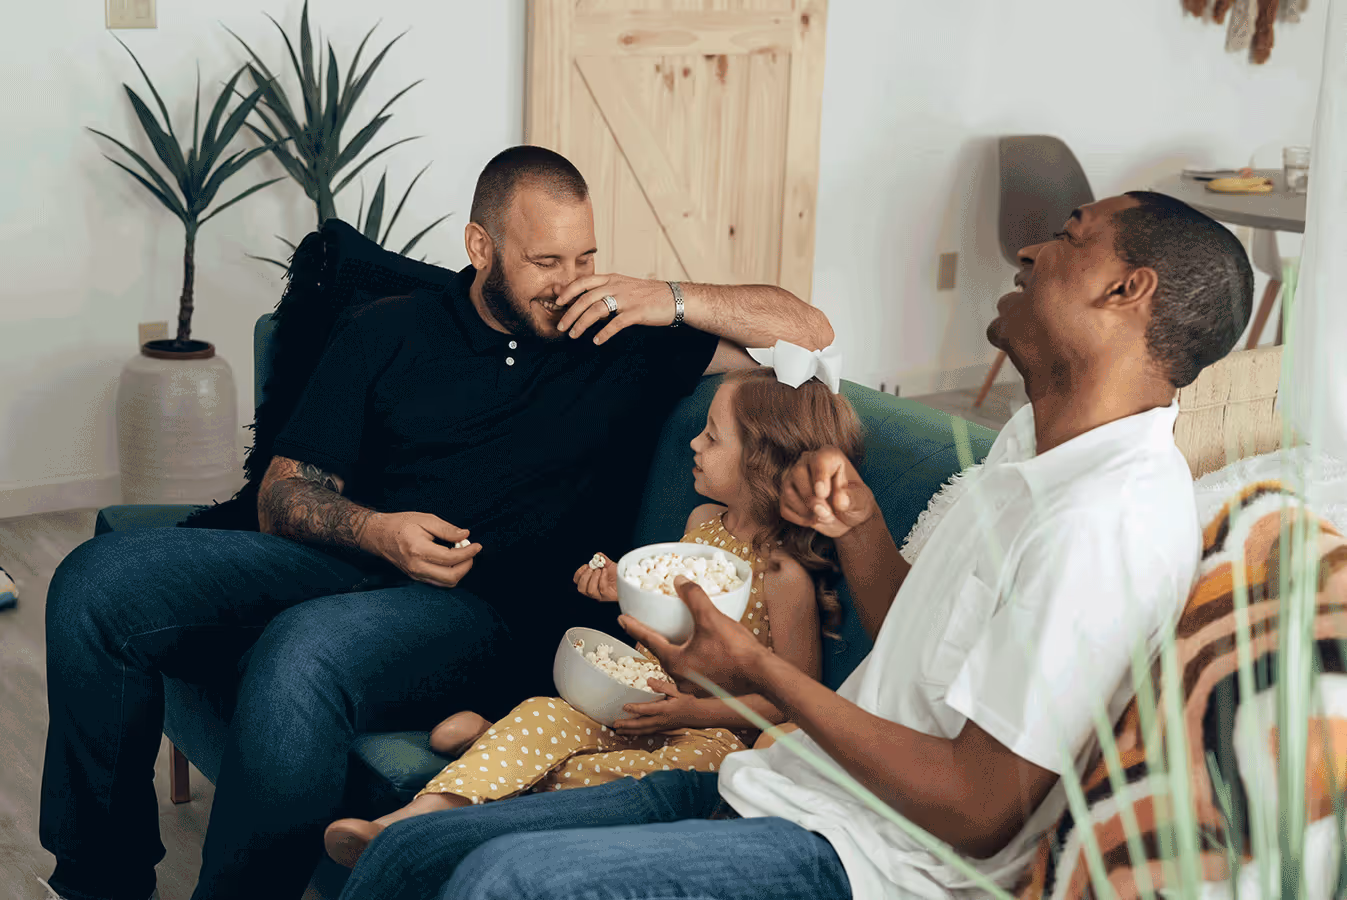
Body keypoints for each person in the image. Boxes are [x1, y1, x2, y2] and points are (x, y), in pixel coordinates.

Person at [333, 191, 1255, 900]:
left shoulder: (1107, 521)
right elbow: (917, 645)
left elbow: (982, 810)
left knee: (506, 883)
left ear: (1126, 289)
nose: (1028, 247)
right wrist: (858, 529)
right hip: (780, 784)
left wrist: (760, 675)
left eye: (1068, 232)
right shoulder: (1029, 449)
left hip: (862, 860)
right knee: (422, 841)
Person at [38, 145, 833, 900]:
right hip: (349, 558)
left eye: (584, 258)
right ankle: (98, 881)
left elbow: (809, 332)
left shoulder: (623, 340)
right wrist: (375, 531)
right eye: (545, 262)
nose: (570, 283)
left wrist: (672, 297)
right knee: (96, 581)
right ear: (480, 246)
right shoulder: (388, 330)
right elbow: (284, 496)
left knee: (304, 648)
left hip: (490, 614)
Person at [321, 364, 865, 867]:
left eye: (712, 436)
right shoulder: (703, 522)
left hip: (710, 733)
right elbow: (668, 608)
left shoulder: (782, 575)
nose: (694, 443)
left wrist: (691, 715)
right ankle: (398, 825)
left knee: (643, 778)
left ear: (760, 462)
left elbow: (793, 702)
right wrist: (621, 587)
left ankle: (492, 752)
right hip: (632, 701)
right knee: (546, 711)